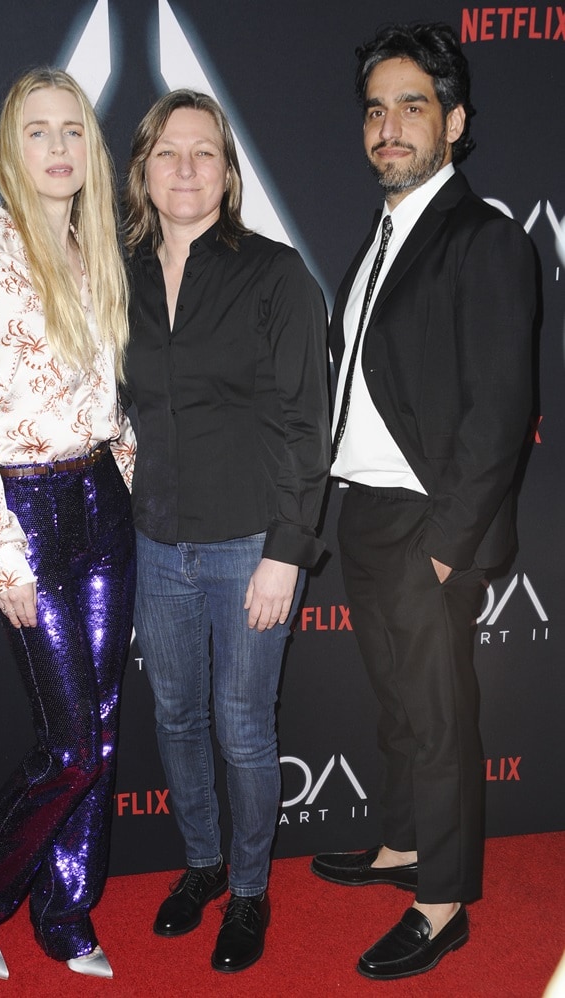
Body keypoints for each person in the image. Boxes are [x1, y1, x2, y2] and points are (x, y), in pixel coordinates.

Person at [311, 23, 537, 980]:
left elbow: (501, 409)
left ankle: (442, 903)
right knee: (400, 708)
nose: (389, 126)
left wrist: (445, 547)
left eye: (411, 106)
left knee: (439, 722)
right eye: (375, 109)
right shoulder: (384, 231)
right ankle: (402, 843)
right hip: (365, 509)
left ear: (454, 120)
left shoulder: (483, 239)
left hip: (426, 525)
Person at [0, 68, 136, 981]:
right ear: (13, 148)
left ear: (90, 148)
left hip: (103, 499)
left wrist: (124, 473)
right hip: (31, 512)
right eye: (39, 132)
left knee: (107, 727)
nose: (58, 148)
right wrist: (2, 545)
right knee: (69, 744)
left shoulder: (100, 251)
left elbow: (105, 400)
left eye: (73, 131)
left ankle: (65, 912)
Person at [122, 90, 330, 973]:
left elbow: (302, 426)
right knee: (174, 714)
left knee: (242, 725)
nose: (185, 168)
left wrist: (288, 551)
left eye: (204, 152)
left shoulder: (275, 274)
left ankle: (249, 891)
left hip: (250, 543)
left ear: (229, 171)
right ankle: (201, 864)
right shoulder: (113, 271)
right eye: (168, 152)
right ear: (142, 168)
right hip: (155, 541)